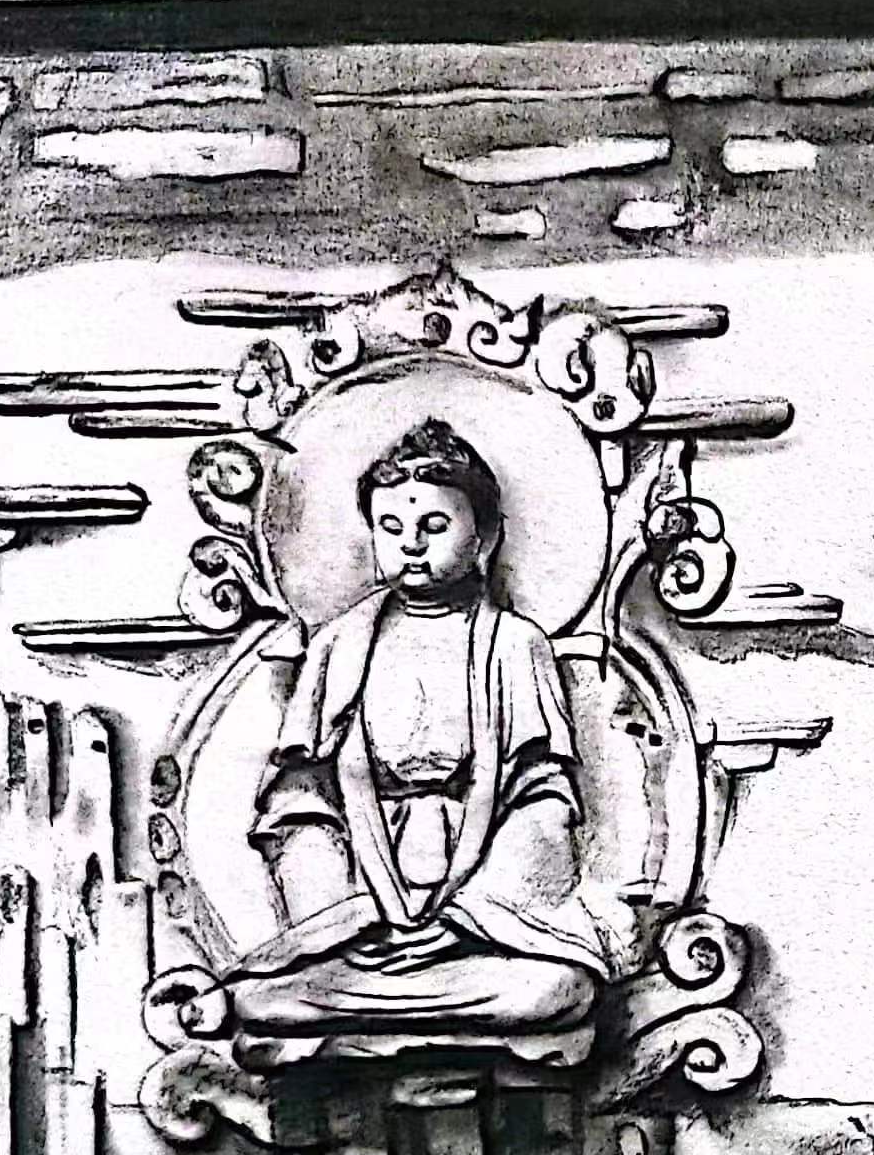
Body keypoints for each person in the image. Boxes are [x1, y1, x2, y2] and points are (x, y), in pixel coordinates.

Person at [183, 418, 614, 1040]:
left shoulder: (516, 645)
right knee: (271, 997)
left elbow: (542, 800)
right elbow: (299, 803)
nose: (411, 544)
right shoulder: (339, 645)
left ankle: (373, 1007)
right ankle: (361, 1001)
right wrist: (344, 912)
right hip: (359, 921)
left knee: (557, 990)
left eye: (434, 525)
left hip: (484, 926)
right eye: (390, 527)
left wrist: (470, 915)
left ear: (484, 536)